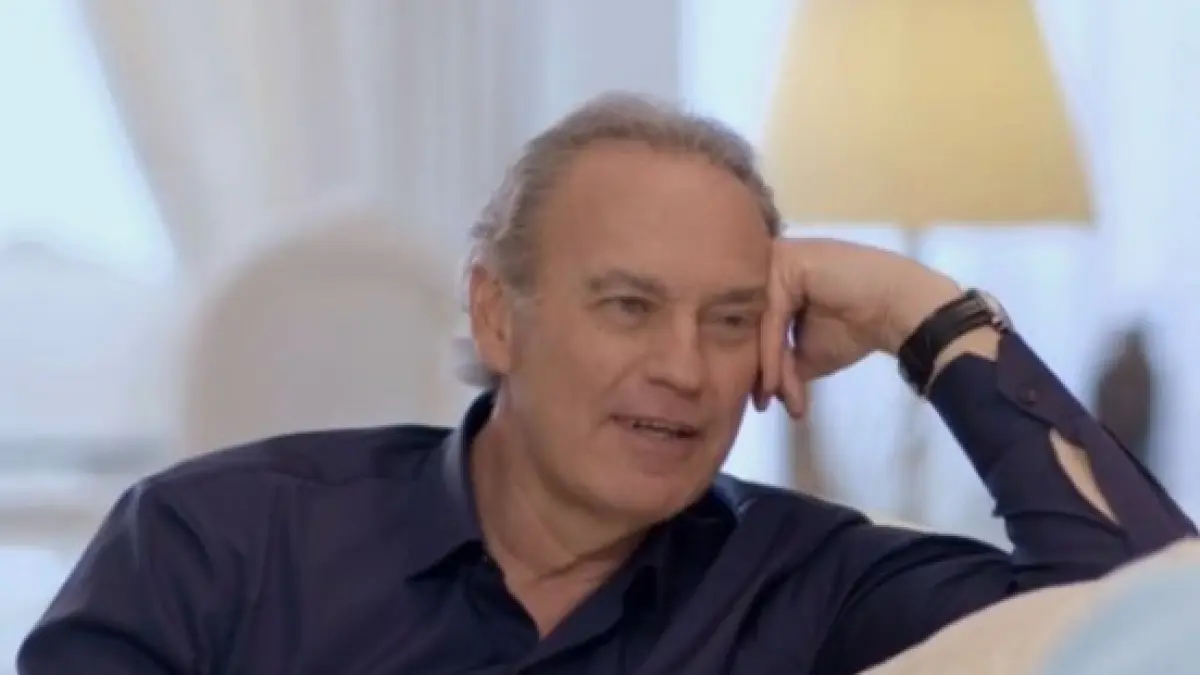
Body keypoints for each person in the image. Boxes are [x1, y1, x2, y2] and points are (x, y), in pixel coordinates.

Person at [18, 93, 1196, 675]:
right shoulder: (217, 545)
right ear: (499, 313)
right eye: (628, 306)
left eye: (729, 320)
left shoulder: (811, 584)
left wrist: (923, 318)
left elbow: (1149, 622)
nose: (683, 369)